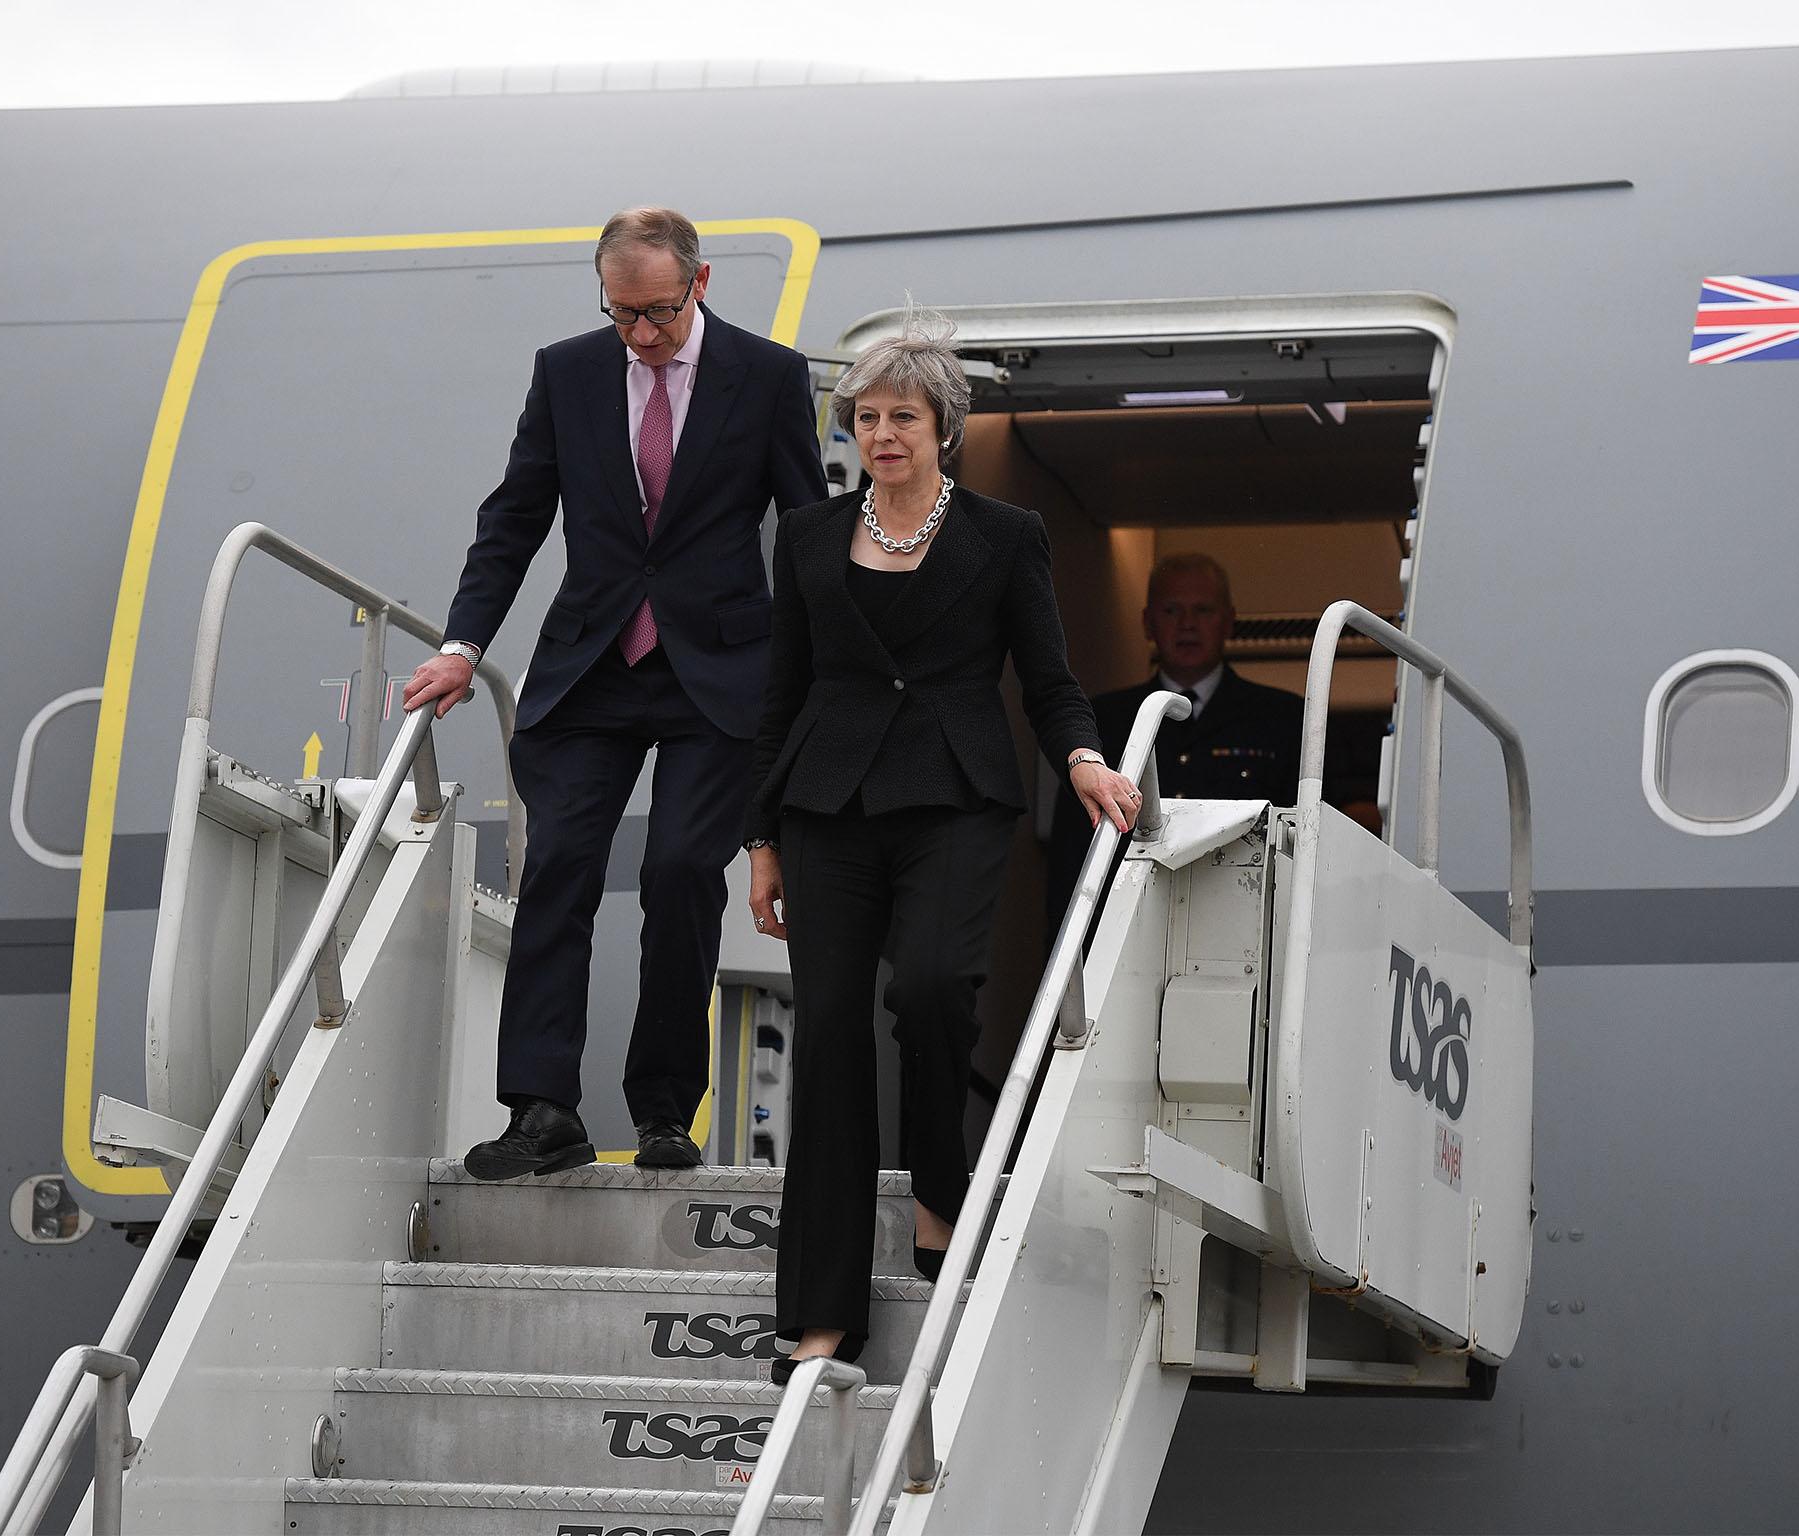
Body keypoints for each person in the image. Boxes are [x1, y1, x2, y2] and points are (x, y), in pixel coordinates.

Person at [744, 311, 1139, 1383]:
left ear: (942, 428)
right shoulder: (812, 535)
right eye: (866, 417)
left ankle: (935, 1190)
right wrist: (761, 837)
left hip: (956, 798)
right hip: (826, 807)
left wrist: (1083, 761)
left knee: (928, 988)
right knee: (826, 1035)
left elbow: (1048, 679)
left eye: (901, 417)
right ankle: (820, 1322)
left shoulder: (1004, 536)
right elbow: (779, 693)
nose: (881, 434)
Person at [402, 207, 826, 1180]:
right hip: (591, 666)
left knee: (680, 873)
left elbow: (804, 528)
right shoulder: (569, 372)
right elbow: (512, 519)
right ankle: (541, 1108)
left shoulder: (764, 377)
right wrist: (464, 643)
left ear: (700, 284)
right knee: (556, 869)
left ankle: (665, 1109)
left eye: (659, 314)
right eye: (621, 311)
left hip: (716, 674)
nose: (639, 334)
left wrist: (822, 672)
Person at [1044, 552, 1305, 929]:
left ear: (1229, 621)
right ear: (1148, 623)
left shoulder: (1282, 717)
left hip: (1243, 920)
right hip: (1125, 924)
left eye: (1202, 610)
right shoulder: (1101, 719)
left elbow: (1300, 840)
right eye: (1171, 611)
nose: (1187, 625)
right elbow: (1072, 851)